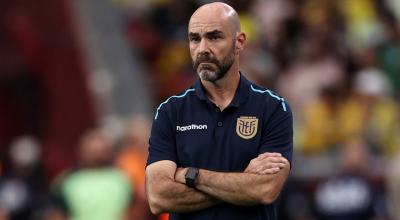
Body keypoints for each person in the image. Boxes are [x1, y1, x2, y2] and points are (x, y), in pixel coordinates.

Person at [145, 2, 293, 220]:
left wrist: (191, 175)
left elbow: (265, 190)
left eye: (214, 37)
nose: (203, 48)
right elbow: (158, 198)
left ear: (239, 42)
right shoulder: (170, 111)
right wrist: (244, 180)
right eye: (195, 38)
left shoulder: (272, 108)